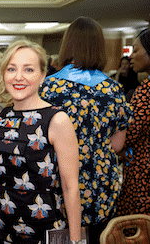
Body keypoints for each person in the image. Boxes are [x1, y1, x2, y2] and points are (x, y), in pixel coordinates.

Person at [40, 16, 133, 244]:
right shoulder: (113, 89)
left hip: (58, 182)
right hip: (100, 184)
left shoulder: (49, 87)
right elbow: (118, 144)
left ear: (67, 45)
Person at [0, 40, 81, 244]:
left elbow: (71, 187)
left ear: (42, 76)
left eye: (29, 69)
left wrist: (76, 241)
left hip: (46, 228)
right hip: (3, 226)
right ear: (4, 74)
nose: (18, 77)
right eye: (11, 69)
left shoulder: (57, 119)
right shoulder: (3, 116)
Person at [116, 29, 150, 217]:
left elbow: (129, 133)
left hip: (142, 174)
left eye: (136, 51)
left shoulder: (146, 92)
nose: (131, 57)